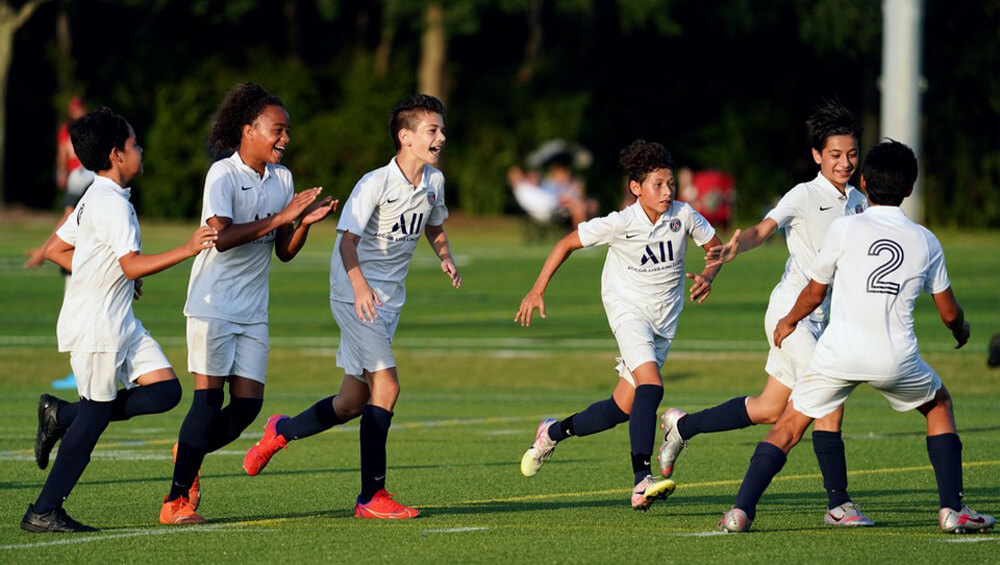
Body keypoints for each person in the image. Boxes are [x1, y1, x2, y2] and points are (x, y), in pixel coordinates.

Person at [718, 140, 995, 534]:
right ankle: (952, 510)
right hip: (895, 357)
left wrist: (789, 321)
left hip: (838, 353)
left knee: (790, 425)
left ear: (864, 182)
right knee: (939, 405)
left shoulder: (844, 228)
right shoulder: (925, 239)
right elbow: (949, 312)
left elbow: (815, 291)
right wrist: (960, 330)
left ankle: (740, 513)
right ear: (910, 189)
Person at [241, 94, 460, 520]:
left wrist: (445, 256)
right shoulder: (375, 183)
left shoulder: (434, 182)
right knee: (388, 387)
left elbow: (435, 225)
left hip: (389, 300)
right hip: (354, 293)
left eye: (441, 130)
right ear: (406, 137)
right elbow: (347, 241)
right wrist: (360, 287)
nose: (441, 137)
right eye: (432, 130)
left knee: (351, 401)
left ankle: (279, 431)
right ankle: (370, 497)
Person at [657, 99, 873, 526]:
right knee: (828, 400)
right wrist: (738, 246)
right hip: (789, 315)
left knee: (770, 408)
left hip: (822, 321)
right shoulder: (804, 194)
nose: (845, 162)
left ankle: (684, 427)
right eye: (835, 155)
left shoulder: (860, 202)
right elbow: (763, 229)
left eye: (851, 154)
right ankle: (838, 503)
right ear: (817, 156)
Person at [22, 107, 218, 533]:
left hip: (120, 321)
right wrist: (187, 249)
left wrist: (110, 274)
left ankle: (60, 415)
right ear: (116, 154)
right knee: (95, 417)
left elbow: (58, 249)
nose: (140, 149)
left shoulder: (98, 194)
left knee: (165, 391)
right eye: (134, 144)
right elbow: (129, 265)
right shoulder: (110, 204)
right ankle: (43, 510)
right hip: (97, 327)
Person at [161, 83, 337, 525]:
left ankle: (189, 449)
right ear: (249, 130)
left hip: (253, 310)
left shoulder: (283, 179)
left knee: (246, 409)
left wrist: (303, 223)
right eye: (278, 130)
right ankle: (175, 501)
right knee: (206, 401)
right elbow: (219, 238)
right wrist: (281, 216)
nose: (285, 139)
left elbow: (283, 250)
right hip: (213, 305)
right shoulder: (222, 174)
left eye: (287, 131)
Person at [515, 140, 724, 510]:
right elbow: (566, 243)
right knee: (652, 385)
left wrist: (708, 274)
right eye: (657, 184)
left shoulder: (685, 216)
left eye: (670, 183)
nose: (666, 191)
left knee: (619, 409)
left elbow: (715, 249)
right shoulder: (620, 223)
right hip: (628, 312)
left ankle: (551, 433)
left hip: (663, 322)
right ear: (636, 188)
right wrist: (536, 289)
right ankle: (641, 480)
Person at [25, 97, 96, 390]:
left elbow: (68, 222)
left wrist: (43, 251)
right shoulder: (100, 174)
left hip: (76, 259)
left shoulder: (80, 176)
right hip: (92, 256)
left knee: (76, 313)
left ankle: (79, 373)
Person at [508, 141, 598, 228]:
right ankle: (579, 237)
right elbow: (542, 203)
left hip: (554, 206)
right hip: (547, 211)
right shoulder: (523, 189)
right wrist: (560, 200)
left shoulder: (530, 186)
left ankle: (589, 235)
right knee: (579, 206)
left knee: (590, 205)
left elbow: (549, 193)